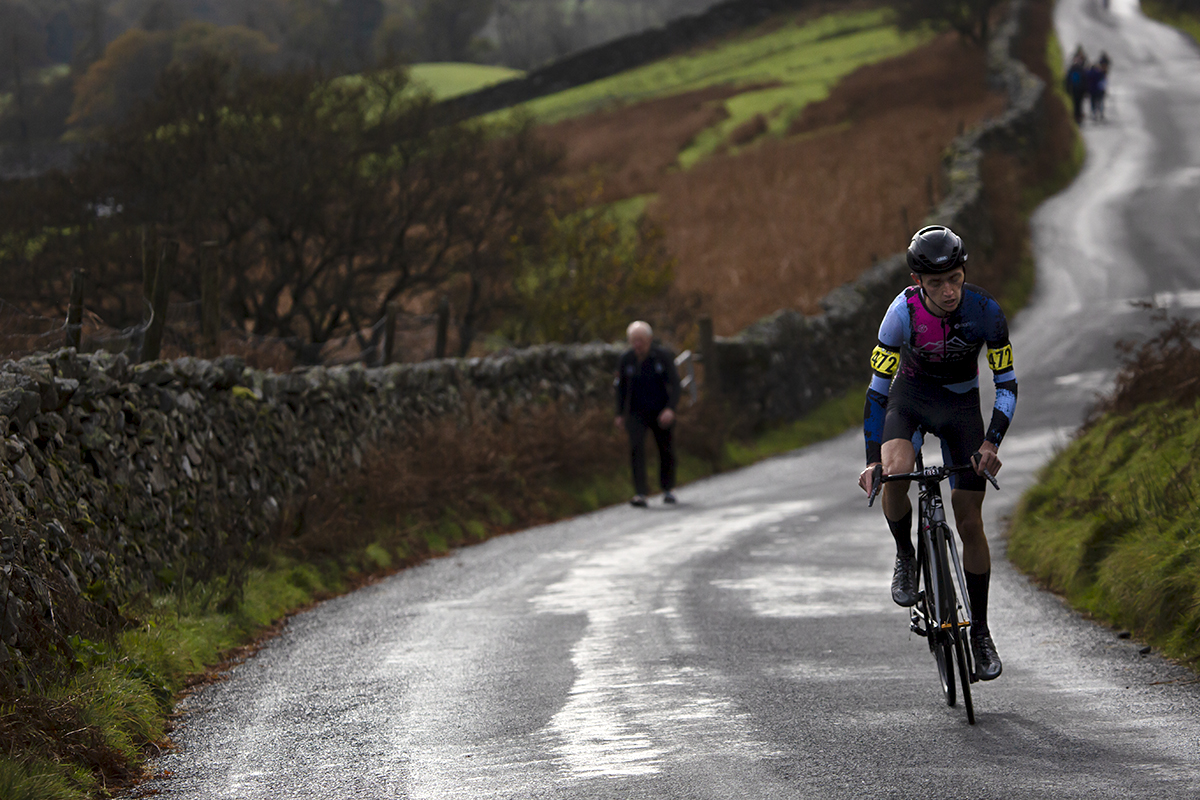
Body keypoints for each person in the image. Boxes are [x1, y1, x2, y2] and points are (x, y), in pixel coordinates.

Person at [856, 225, 1018, 681]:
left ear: (964, 271)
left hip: (962, 407)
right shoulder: (900, 313)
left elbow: (1006, 384)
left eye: (955, 279)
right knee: (897, 470)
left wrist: (991, 443)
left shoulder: (987, 312)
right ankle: (906, 555)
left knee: (970, 520)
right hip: (909, 398)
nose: (948, 292)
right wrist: (872, 459)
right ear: (917, 282)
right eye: (935, 284)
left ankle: (981, 632)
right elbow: (877, 391)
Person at [614, 320, 681, 507]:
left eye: (641, 340)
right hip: (636, 413)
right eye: (634, 340)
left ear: (649, 339)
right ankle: (640, 493)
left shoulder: (662, 357)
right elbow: (620, 389)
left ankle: (668, 488)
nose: (637, 344)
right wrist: (619, 414)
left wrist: (670, 409)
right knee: (636, 449)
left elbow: (675, 385)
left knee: (665, 449)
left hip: (661, 410)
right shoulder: (626, 360)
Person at [1065, 49, 1089, 125]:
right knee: (1080, 103)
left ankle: (1076, 116)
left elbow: (1068, 79)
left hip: (1074, 89)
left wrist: (1068, 89)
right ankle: (1079, 117)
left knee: (1075, 103)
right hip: (1081, 90)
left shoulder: (1072, 69)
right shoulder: (1082, 70)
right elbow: (1085, 81)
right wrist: (1086, 91)